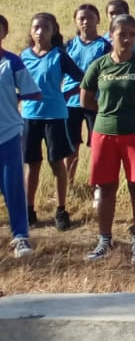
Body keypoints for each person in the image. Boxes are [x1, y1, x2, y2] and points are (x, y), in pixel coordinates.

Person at [79, 14, 135, 262]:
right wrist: (107, 112)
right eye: (123, 34)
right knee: (106, 187)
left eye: (133, 34)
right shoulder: (99, 65)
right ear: (111, 36)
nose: (128, 39)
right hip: (104, 133)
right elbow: (85, 99)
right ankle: (104, 241)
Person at [20, 12, 80, 233]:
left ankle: (61, 210)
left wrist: (66, 94)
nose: (39, 32)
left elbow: (83, 78)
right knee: (32, 164)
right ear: (30, 31)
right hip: (29, 117)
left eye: (45, 28)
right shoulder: (24, 56)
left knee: (57, 164)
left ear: (53, 31)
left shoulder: (59, 55)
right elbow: (16, 83)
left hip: (55, 116)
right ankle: (28, 209)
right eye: (36, 27)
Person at [0, 16, 40, 257]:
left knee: (13, 187)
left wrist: (14, 96)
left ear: (4, 32)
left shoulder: (12, 62)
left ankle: (20, 237)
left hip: (8, 134)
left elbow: (33, 93)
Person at [64, 4, 110, 186]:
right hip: (70, 103)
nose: (85, 22)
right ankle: (68, 183)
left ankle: (98, 184)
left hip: (95, 102)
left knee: (98, 145)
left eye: (90, 18)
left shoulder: (104, 46)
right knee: (71, 146)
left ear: (98, 20)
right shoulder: (68, 45)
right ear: (75, 21)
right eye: (81, 18)